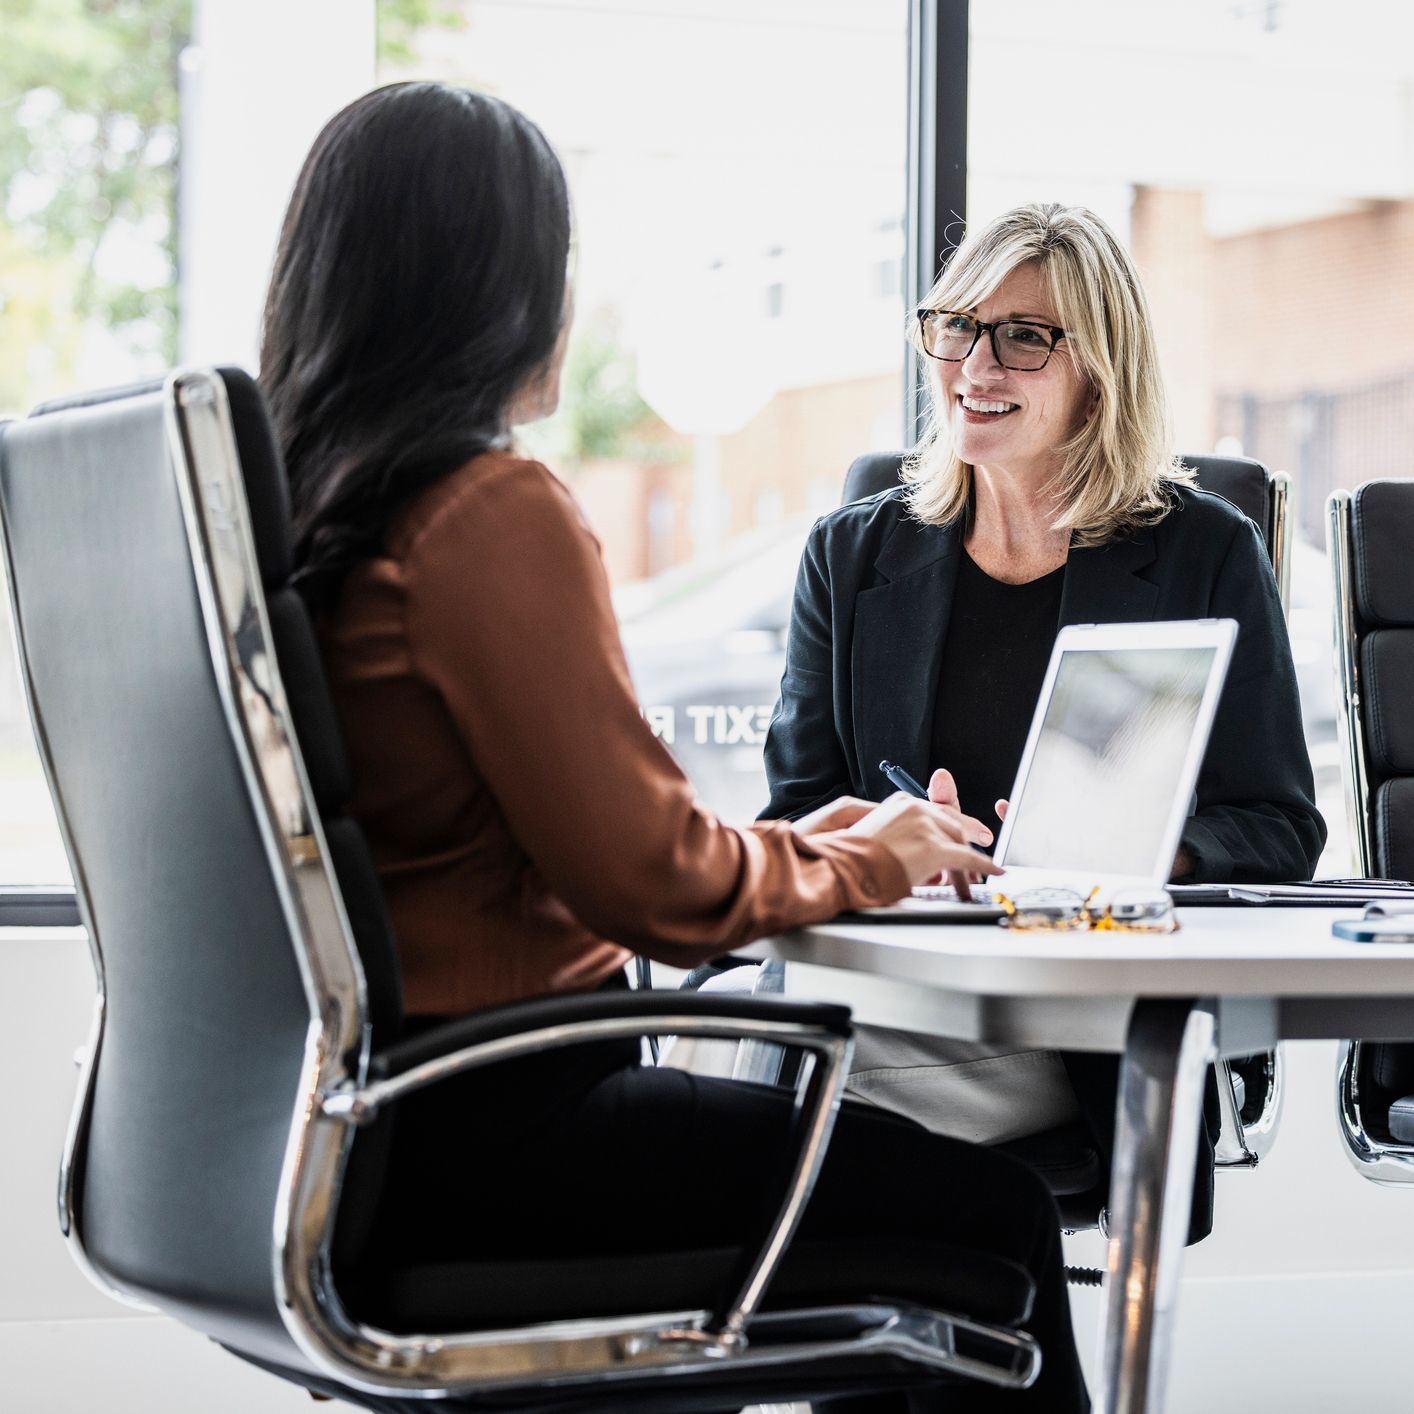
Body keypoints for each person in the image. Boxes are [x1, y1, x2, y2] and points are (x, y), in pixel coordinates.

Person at [258, 83, 1089, 1412]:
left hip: (327, 1145)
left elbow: (589, 850)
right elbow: (663, 893)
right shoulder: (486, 510)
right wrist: (865, 866)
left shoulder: (308, 520)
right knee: (985, 1215)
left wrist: (825, 842)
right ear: (500, 287)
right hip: (505, 1137)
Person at [761, 201, 1326, 1235]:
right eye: (957, 326)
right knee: (810, 1112)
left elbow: (1278, 825)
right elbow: (795, 810)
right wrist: (892, 849)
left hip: (1085, 1022)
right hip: (900, 987)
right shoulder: (850, 558)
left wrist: (1138, 855)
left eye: (1023, 336)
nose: (975, 363)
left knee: (803, 1127)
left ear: (1099, 370)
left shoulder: (1203, 551)